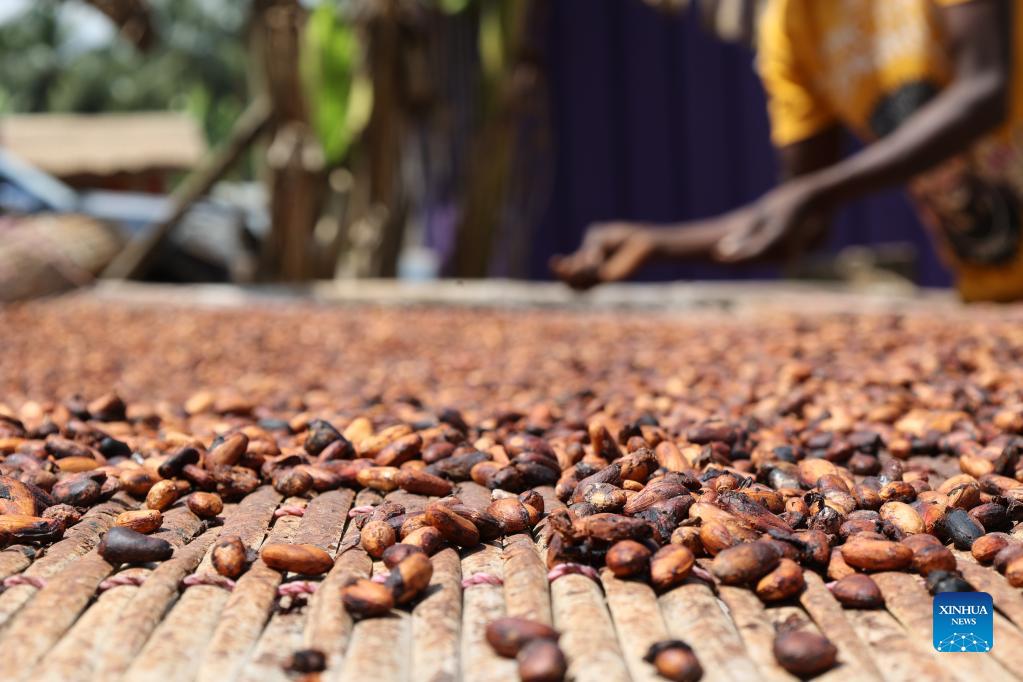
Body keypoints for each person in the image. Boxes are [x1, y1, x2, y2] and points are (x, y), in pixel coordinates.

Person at [551, 0, 1023, 302]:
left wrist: (816, 193)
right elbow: (798, 220)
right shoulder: (790, 29)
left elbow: (983, 89)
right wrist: (654, 243)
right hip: (993, 294)